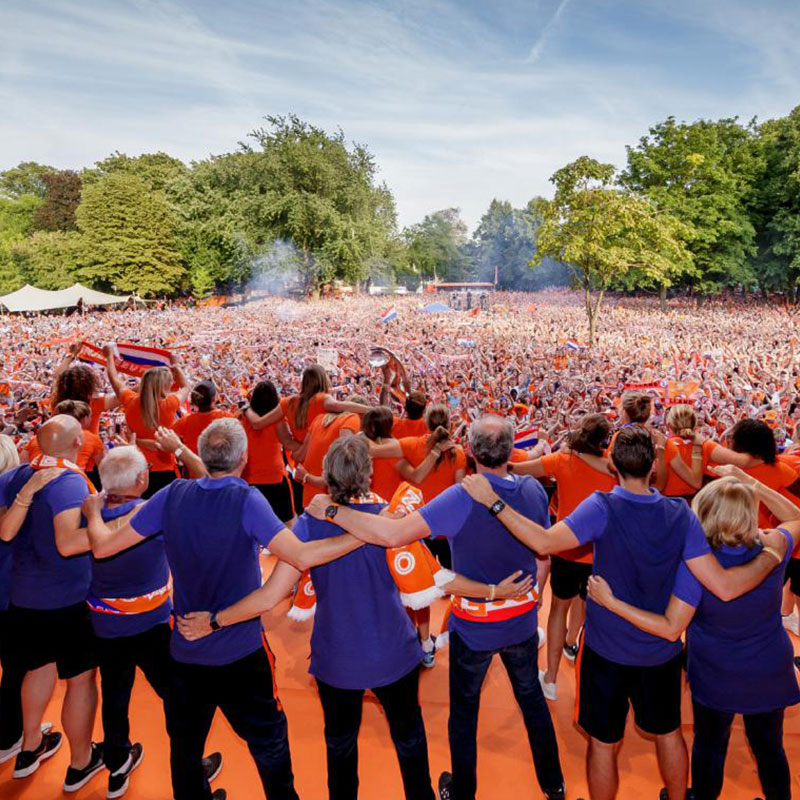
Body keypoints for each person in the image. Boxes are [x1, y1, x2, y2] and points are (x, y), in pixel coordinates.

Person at [178, 435, 532, 800]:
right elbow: (441, 577)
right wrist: (495, 593)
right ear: (366, 474)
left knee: (341, 749)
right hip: (394, 653)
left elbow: (271, 594)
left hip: (336, 658)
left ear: (328, 476)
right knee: (409, 739)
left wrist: (215, 620)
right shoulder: (392, 521)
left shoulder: (308, 526)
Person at [457, 425, 791, 800]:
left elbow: (542, 541)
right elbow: (724, 585)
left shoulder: (601, 506)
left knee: (602, 742)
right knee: (669, 733)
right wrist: (772, 555)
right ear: (653, 468)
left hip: (606, 651)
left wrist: (494, 502)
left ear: (612, 465)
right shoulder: (681, 514)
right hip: (662, 653)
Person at [81, 417, 370, 800]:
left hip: (185, 649)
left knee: (184, 747)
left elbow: (102, 547)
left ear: (200, 453)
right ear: (244, 457)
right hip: (241, 650)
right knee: (268, 741)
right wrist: (363, 533)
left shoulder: (171, 496)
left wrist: (93, 514)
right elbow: (299, 555)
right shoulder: (246, 500)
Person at [305, 416, 566, 800]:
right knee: (532, 703)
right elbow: (543, 557)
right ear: (510, 450)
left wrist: (329, 510)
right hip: (521, 624)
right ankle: (554, 784)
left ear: (472, 451)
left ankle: (463, 792)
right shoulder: (532, 491)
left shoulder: (459, 498)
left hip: (473, 627)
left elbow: (393, 534)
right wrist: (532, 598)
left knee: (464, 714)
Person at [588, 467, 800, 800]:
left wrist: (611, 603)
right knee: (769, 747)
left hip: (716, 671)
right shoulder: (774, 545)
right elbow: (796, 516)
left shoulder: (695, 566)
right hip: (768, 668)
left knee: (710, 748)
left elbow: (671, 628)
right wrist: (751, 483)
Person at [87, 445, 222, 798]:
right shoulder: (152, 514)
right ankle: (192, 772)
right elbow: (208, 484)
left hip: (104, 625)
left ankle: (116, 762)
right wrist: (178, 448)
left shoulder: (89, 516)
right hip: (152, 627)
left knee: (115, 696)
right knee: (178, 701)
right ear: (143, 478)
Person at [0, 415, 105, 791]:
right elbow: (68, 541)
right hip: (66, 599)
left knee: (36, 669)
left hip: (21, 597)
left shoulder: (14, 476)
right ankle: (81, 762)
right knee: (80, 681)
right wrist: (115, 527)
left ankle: (30, 746)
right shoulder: (71, 481)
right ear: (79, 443)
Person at [511, 413, 616, 700]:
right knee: (588, 606)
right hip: (598, 552)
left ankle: (551, 678)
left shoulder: (562, 459)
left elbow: (521, 469)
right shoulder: (613, 465)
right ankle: (573, 645)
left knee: (559, 608)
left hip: (566, 547)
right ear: (604, 439)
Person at [104, 347, 191, 497]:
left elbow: (114, 378)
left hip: (136, 469)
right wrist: (176, 365)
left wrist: (109, 356)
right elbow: (186, 386)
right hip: (164, 470)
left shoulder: (129, 400)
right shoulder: (169, 404)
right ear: (164, 385)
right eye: (170, 382)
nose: (172, 385)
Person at [241, 381, 300, 524]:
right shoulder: (278, 420)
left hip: (248, 478)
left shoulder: (241, 417)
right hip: (275, 477)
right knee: (286, 524)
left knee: (250, 524)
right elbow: (288, 443)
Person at [21, 399, 105, 473]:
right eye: (90, 416)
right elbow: (105, 468)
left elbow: (21, 465)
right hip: (74, 486)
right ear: (84, 419)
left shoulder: (37, 438)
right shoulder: (92, 439)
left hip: (37, 484)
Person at [51, 356, 119, 436]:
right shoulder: (95, 403)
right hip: (91, 446)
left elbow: (56, 377)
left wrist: (71, 355)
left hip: (63, 446)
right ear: (90, 385)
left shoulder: (57, 401)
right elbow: (123, 393)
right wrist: (109, 357)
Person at [172, 380, 233, 455]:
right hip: (219, 465)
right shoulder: (227, 418)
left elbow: (166, 442)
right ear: (214, 398)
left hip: (191, 465)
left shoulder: (185, 421)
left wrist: (180, 454)